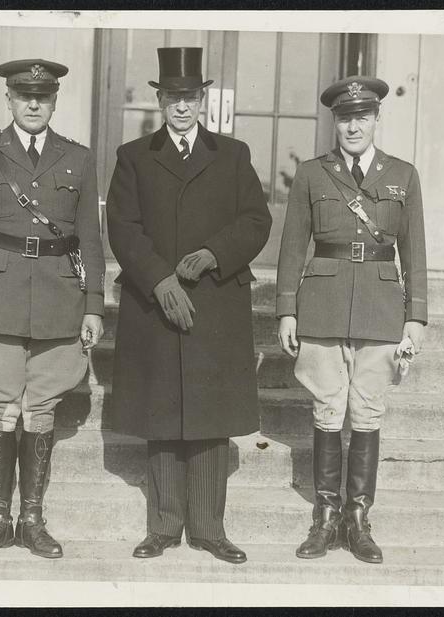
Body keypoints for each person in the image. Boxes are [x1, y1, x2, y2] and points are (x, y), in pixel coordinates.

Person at [106, 47, 272, 564]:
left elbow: (256, 221)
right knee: (162, 410)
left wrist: (212, 254)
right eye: (172, 96)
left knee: (210, 411)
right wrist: (159, 280)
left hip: (216, 304)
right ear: (159, 98)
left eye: (191, 96)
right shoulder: (133, 157)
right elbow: (123, 227)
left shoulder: (233, 154)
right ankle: (163, 526)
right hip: (155, 305)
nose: (182, 106)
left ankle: (208, 528)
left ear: (203, 99)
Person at [0, 59, 105, 560]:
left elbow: (91, 242)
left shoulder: (77, 157)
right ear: (9, 101)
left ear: (55, 101)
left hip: (59, 299)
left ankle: (31, 519)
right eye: (23, 95)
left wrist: (94, 306)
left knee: (41, 409)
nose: (33, 104)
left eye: (43, 96)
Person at [276, 75, 428, 564]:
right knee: (326, 410)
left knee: (366, 413)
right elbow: (293, 246)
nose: (353, 126)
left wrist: (416, 317)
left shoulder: (402, 175)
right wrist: (286, 309)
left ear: (377, 119)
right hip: (321, 304)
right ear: (334, 122)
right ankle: (324, 517)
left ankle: (358, 519)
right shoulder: (312, 173)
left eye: (362, 117)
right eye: (345, 118)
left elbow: (415, 252)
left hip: (382, 308)